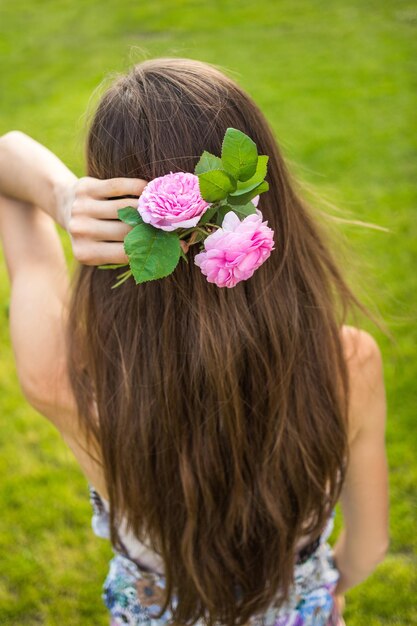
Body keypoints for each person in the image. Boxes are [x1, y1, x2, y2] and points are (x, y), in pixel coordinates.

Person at [0, 58, 389, 626]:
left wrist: (62, 198)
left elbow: (8, 155)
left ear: (115, 219)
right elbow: (370, 546)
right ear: (267, 196)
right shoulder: (349, 365)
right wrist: (327, 591)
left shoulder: (66, 381)